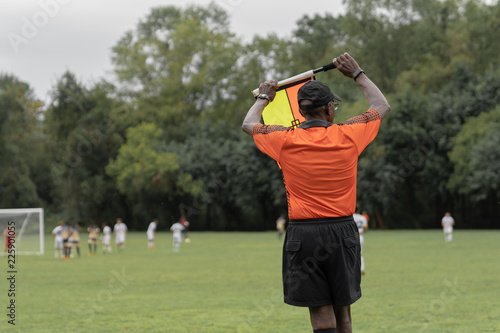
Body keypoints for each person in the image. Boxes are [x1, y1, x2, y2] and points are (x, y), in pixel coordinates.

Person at [242, 52, 390, 333]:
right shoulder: (348, 134)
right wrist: (357, 72)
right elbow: (381, 105)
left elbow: (248, 124)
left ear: (301, 112)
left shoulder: (283, 139)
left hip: (303, 234)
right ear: (329, 110)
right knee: (343, 312)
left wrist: (263, 97)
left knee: (320, 313)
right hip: (342, 231)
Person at [353, 209, 368, 275]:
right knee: (359, 253)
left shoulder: (351, 217)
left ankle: (352, 270)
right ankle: (362, 269)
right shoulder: (362, 217)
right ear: (358, 210)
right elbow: (365, 228)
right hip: (360, 236)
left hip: (352, 236)